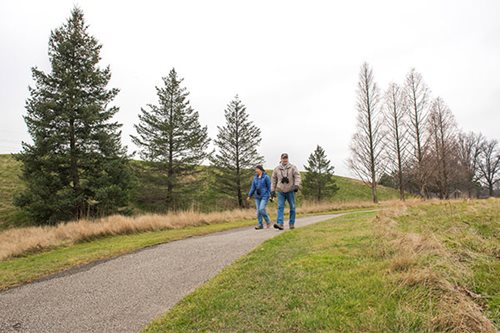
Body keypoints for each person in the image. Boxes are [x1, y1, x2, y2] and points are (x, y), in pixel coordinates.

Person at [271, 153, 301, 230]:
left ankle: (291, 223)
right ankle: (280, 224)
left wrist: (296, 185)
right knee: (280, 207)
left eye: (286, 158)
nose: (285, 160)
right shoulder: (276, 169)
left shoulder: (293, 167)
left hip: (290, 190)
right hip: (280, 190)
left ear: (288, 159)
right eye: (283, 158)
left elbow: (297, 176)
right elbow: (273, 180)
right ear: (281, 159)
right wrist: (272, 190)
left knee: (292, 207)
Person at [247, 165, 272, 229]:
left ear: (260, 170)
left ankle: (268, 221)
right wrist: (249, 195)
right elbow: (253, 187)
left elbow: (269, 187)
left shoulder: (266, 177)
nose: (256, 170)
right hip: (257, 196)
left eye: (257, 169)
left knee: (261, 209)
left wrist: (270, 195)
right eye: (256, 169)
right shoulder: (255, 178)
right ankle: (260, 225)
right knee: (258, 211)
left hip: (265, 196)